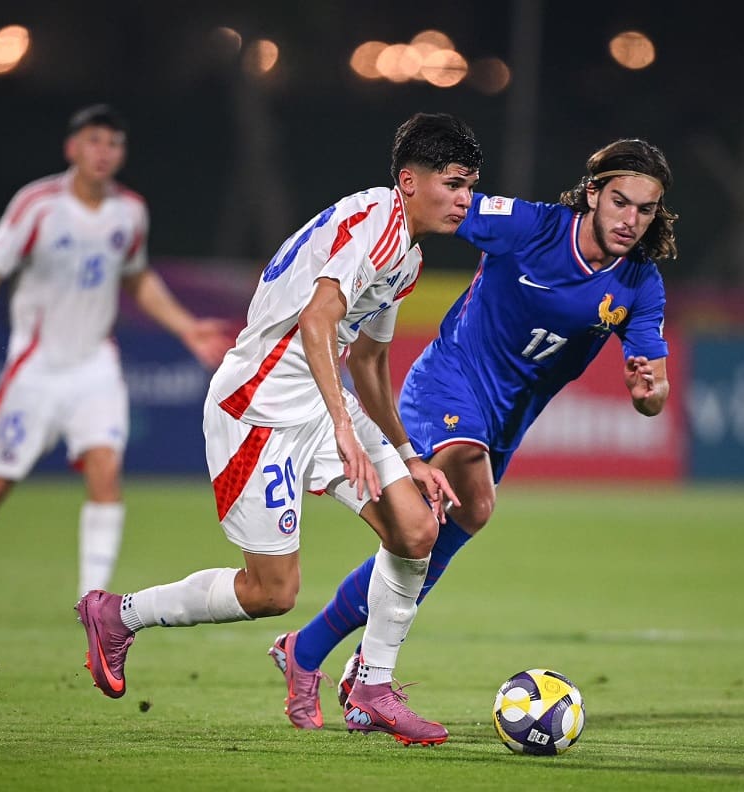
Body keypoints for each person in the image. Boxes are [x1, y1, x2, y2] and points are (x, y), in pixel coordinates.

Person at [75, 112, 483, 747]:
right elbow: (320, 322)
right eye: (454, 183)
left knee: (416, 527)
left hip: (322, 405)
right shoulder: (377, 224)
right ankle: (118, 614)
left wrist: (406, 452)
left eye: (470, 186)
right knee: (272, 592)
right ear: (409, 180)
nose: (465, 199)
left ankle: (373, 687)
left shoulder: (407, 256)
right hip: (257, 413)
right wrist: (348, 433)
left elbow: (370, 361)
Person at [270, 138, 677, 726]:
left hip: (508, 419)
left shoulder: (641, 284)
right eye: (620, 202)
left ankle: (310, 650)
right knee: (466, 490)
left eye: (645, 210)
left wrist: (649, 392)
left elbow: (652, 391)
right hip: (448, 383)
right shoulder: (532, 227)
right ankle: (366, 673)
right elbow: (444, 208)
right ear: (593, 193)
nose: (630, 220)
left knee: (436, 533)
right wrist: (369, 248)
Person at [0, 104, 231, 627]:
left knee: (105, 471)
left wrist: (185, 327)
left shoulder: (130, 211)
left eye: (113, 144)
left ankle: (94, 603)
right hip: (35, 369)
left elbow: (136, 277)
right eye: (94, 141)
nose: (103, 152)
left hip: (94, 366)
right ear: (73, 148)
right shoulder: (37, 205)